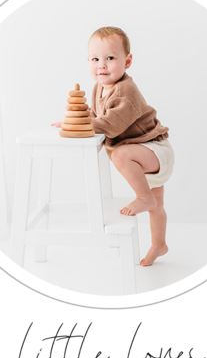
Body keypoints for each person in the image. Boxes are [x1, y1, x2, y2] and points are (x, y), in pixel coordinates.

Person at [52, 27, 175, 266]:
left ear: (127, 61)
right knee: (157, 206)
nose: (102, 65)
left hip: (155, 149)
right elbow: (95, 113)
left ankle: (142, 196)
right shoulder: (99, 87)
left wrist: (83, 125)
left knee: (120, 154)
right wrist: (73, 120)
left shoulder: (126, 91)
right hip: (144, 153)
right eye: (95, 59)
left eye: (110, 58)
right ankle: (159, 245)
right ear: (88, 61)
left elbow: (111, 124)